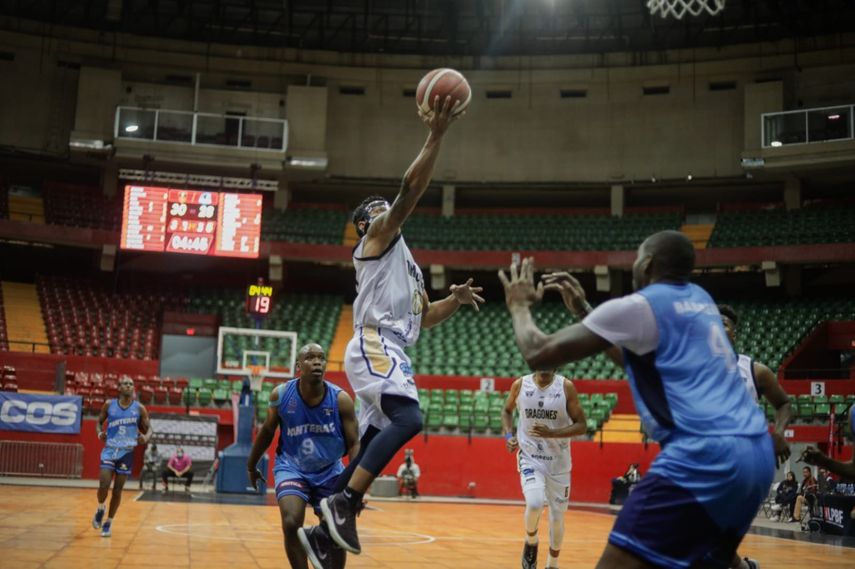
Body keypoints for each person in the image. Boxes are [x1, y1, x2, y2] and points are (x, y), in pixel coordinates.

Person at [499, 230, 775, 569]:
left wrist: (519, 305)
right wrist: (585, 309)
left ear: (646, 264)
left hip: (703, 456)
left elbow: (537, 352)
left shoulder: (643, 304)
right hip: (757, 455)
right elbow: (635, 360)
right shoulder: (701, 301)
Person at [300, 94, 483, 560]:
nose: (389, 214)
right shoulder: (375, 240)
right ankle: (345, 501)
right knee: (410, 419)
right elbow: (408, 193)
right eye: (379, 211)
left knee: (376, 444)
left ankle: (324, 529)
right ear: (366, 223)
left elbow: (426, 316)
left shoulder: (409, 266)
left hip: (395, 346)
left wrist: (455, 301)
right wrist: (436, 135)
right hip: (374, 342)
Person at [247, 343, 359, 569]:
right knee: (291, 522)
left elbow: (355, 443)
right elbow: (268, 431)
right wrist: (251, 465)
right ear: (298, 365)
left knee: (334, 529)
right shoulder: (281, 395)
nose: (317, 362)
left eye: (321, 358)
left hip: (330, 470)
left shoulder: (341, 400)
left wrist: (356, 486)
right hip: (292, 467)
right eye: (310, 358)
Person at [503, 369, 587, 569]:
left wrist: (552, 433)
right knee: (534, 503)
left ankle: (552, 564)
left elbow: (582, 425)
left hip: (558, 462)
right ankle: (531, 541)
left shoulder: (565, 387)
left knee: (557, 517)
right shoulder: (520, 385)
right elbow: (506, 411)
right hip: (531, 457)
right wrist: (508, 436)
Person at [92, 376, 152, 537]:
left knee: (117, 491)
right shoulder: (109, 405)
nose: (129, 385)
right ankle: (100, 508)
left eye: (131, 384)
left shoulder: (139, 408)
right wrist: (99, 434)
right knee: (104, 484)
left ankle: (108, 523)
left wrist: (145, 438)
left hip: (126, 452)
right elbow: (98, 422)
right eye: (125, 383)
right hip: (110, 449)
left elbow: (150, 429)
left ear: (133, 389)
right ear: (119, 387)